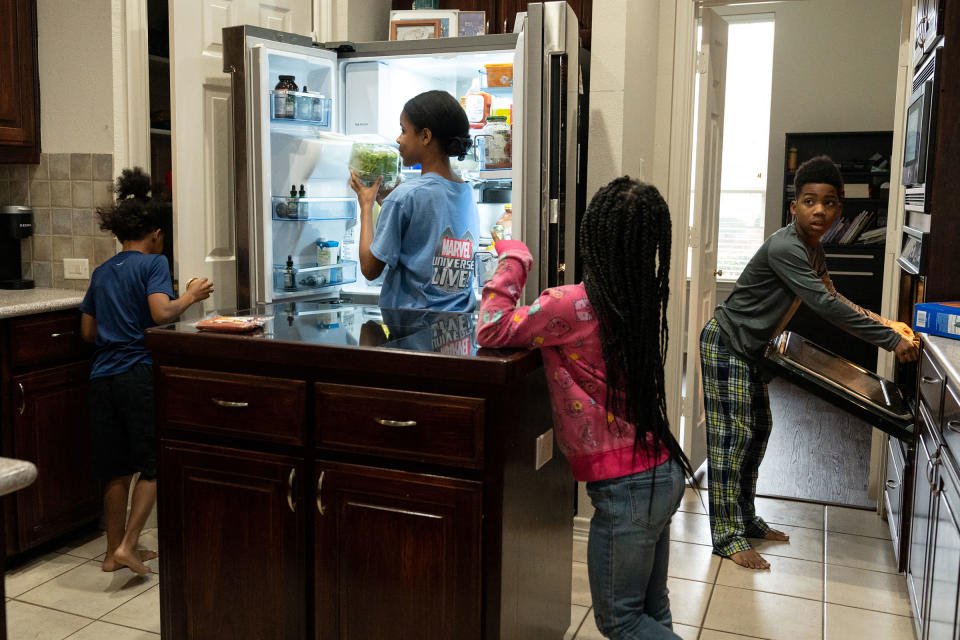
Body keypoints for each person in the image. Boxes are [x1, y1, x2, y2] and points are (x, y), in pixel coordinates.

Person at [477, 176, 693, 639]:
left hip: (628, 489)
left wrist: (513, 255)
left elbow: (492, 329)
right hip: (661, 470)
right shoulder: (637, 302)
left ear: (593, 236)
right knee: (651, 609)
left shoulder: (568, 305)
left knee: (621, 621)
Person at [700, 155, 918, 570]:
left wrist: (886, 322)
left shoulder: (811, 248)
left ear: (840, 210)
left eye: (830, 203)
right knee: (733, 441)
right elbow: (825, 305)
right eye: (809, 201)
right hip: (727, 345)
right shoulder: (786, 247)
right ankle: (726, 536)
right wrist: (890, 339)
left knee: (757, 433)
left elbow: (833, 295)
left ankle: (745, 519)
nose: (820, 210)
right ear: (793, 207)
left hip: (750, 351)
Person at [79, 168, 214, 575]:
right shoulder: (154, 263)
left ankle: (110, 552)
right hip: (136, 373)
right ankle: (130, 545)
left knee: (115, 469)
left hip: (101, 377)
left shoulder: (102, 272)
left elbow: (87, 331)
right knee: (153, 466)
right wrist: (190, 295)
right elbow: (160, 313)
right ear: (155, 233)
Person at [349, 90, 480, 311]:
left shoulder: (405, 196)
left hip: (413, 330)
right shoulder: (466, 191)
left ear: (425, 136)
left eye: (403, 130)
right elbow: (421, 235)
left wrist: (366, 204)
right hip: (458, 326)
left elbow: (370, 269)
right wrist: (387, 204)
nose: (398, 139)